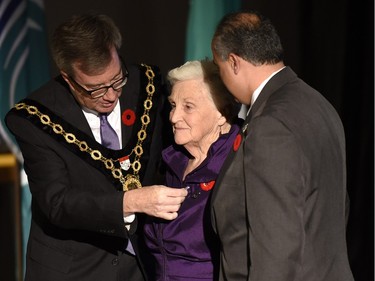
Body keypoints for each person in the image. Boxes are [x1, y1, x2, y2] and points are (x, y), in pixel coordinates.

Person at [4, 14, 187, 281]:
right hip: (76, 268)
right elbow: (57, 202)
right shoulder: (35, 118)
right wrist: (131, 201)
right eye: (96, 89)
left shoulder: (147, 86)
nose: (112, 95)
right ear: (68, 79)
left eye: (116, 79)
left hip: (146, 264)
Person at [210, 11, 354, 281]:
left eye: (219, 70)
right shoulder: (321, 105)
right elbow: (337, 207)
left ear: (234, 62)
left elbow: (276, 252)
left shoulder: (269, 126)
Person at [143, 60, 242, 280]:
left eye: (188, 106)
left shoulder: (238, 166)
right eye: (172, 105)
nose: (173, 117)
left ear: (222, 113)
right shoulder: (173, 164)